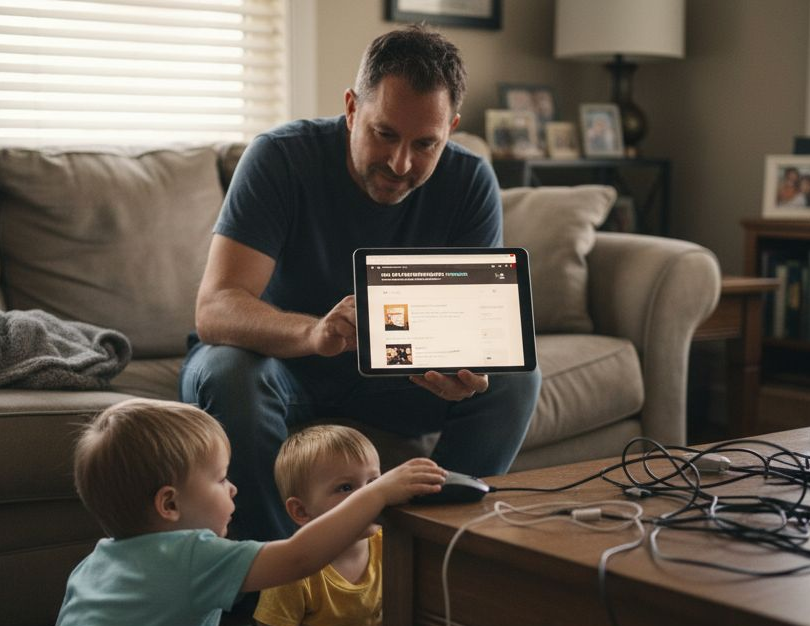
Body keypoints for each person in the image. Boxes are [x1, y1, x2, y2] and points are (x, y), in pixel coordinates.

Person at [180, 25, 541, 547]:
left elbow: (477, 327)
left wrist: (466, 365)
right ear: (351, 108)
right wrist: (314, 334)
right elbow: (215, 308)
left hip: (398, 379)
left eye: (425, 144)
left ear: (452, 128)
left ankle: (430, 554)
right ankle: (277, 576)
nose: (401, 164)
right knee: (229, 373)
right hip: (280, 370)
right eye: (385, 134)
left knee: (516, 376)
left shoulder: (470, 182)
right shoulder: (280, 159)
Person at [13, 399, 445, 626]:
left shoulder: (96, 561)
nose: (234, 489)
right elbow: (298, 556)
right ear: (170, 504)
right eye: (221, 479)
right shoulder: (190, 557)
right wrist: (379, 493)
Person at [222, 425, 494, 626]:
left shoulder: (391, 546)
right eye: (346, 487)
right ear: (301, 511)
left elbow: (420, 612)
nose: (368, 496)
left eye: (373, 483)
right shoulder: (294, 564)